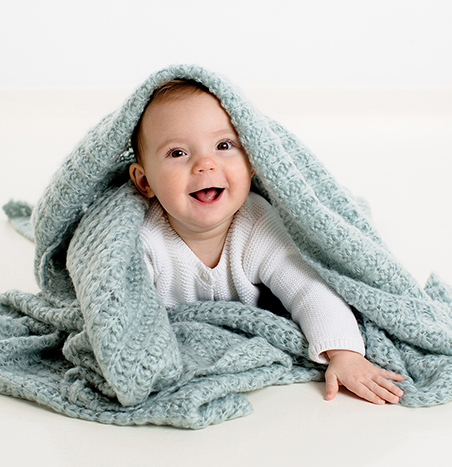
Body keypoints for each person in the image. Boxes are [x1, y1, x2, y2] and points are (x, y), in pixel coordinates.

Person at [128, 79, 405, 405]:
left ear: (252, 160)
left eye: (224, 146)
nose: (205, 164)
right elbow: (126, 310)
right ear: (145, 181)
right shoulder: (143, 238)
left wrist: (344, 354)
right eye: (178, 153)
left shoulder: (257, 224)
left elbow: (308, 289)